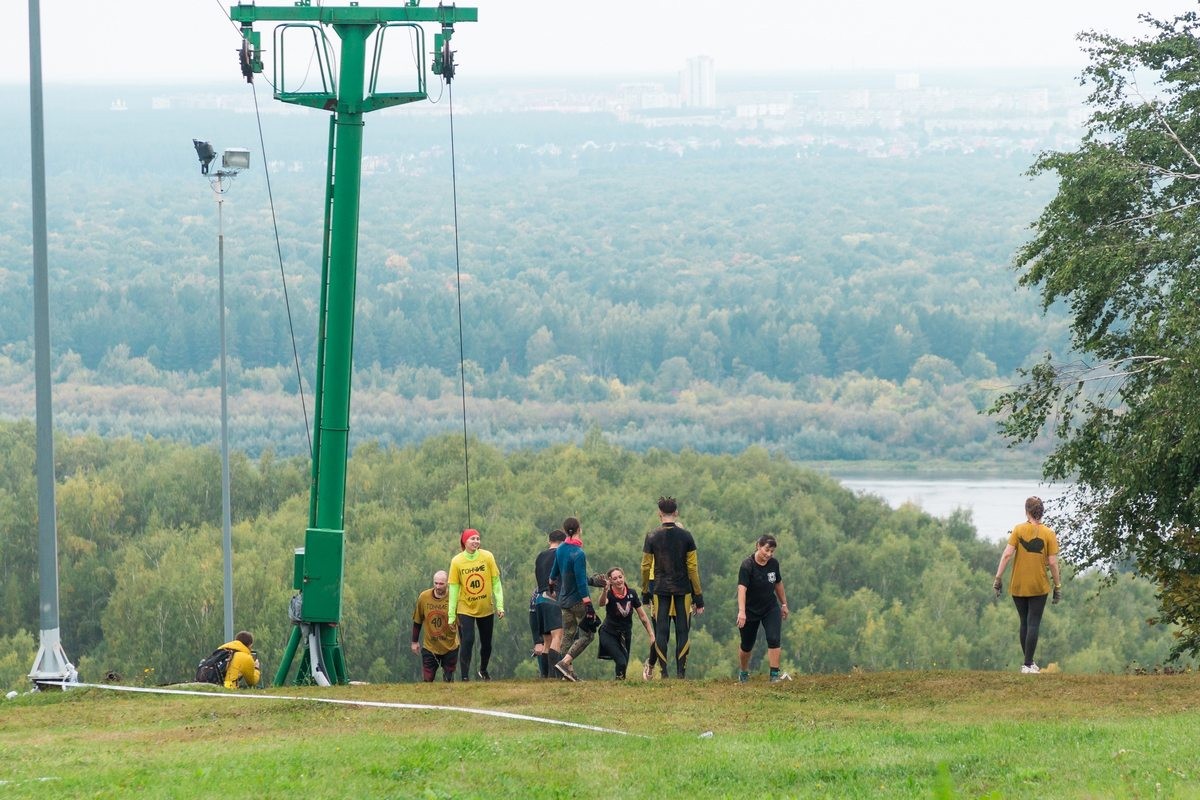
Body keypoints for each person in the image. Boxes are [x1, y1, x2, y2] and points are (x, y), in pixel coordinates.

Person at [993, 496, 1062, 674]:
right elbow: (1052, 563)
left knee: (1024, 622)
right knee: (1033, 623)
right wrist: (1057, 585)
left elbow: (1007, 555)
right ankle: (1028, 664)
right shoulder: (1049, 533)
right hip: (1039, 585)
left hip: (1018, 584)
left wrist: (998, 578)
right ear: (1041, 512)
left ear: (1027, 511)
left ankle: (1028, 663)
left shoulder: (1018, 530)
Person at [640, 496, 704, 679]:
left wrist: (645, 591)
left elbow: (645, 566)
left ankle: (664, 673)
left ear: (659, 513)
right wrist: (698, 595)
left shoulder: (652, 536)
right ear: (676, 512)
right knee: (683, 630)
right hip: (683, 589)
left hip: (660, 589)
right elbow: (692, 568)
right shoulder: (687, 536)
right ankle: (681, 673)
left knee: (661, 631)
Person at [448, 528, 505, 681]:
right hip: (465, 607)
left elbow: (496, 582)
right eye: (472, 539)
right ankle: (465, 676)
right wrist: (451, 615)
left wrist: (500, 605)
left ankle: (483, 670)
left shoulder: (488, 557)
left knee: (486, 643)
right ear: (464, 541)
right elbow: (453, 589)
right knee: (467, 640)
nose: (476, 541)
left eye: (478, 539)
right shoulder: (457, 561)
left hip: (485, 607)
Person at [736, 535, 789, 683]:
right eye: (767, 550)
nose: (769, 554)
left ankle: (774, 675)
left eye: (772, 551)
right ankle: (744, 672)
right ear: (758, 546)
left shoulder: (773, 564)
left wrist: (784, 604)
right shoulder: (747, 565)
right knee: (747, 645)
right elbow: (741, 589)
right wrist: (742, 612)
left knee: (774, 638)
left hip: (770, 607)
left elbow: (778, 583)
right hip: (750, 610)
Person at [550, 517, 597, 681]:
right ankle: (565, 663)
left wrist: (551, 587)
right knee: (588, 635)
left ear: (565, 531)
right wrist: (588, 603)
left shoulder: (560, 549)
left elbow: (553, 574)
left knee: (568, 634)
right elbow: (581, 581)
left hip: (563, 600)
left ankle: (567, 674)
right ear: (579, 529)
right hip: (578, 601)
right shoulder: (578, 553)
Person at [597, 567, 655, 680]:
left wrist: (651, 634)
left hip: (625, 634)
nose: (618, 580)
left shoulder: (631, 593)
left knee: (623, 666)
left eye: (620, 577)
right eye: (615, 578)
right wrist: (604, 590)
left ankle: (619, 684)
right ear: (610, 581)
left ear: (624, 577)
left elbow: (643, 616)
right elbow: (602, 603)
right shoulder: (609, 593)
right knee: (621, 661)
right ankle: (619, 683)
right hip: (609, 633)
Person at [529, 529, 566, 678]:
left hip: (539, 599)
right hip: (553, 597)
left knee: (547, 641)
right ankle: (553, 675)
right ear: (563, 542)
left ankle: (545, 676)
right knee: (557, 637)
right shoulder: (561, 554)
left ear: (549, 541)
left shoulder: (540, 556)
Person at [411, 569, 459, 682]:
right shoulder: (424, 597)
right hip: (430, 647)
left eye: (441, 584)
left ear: (447, 583)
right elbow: (417, 620)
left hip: (450, 646)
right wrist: (414, 641)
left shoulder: (454, 597)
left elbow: (462, 622)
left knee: (448, 680)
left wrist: (464, 642)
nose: (438, 586)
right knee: (427, 681)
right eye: (435, 583)